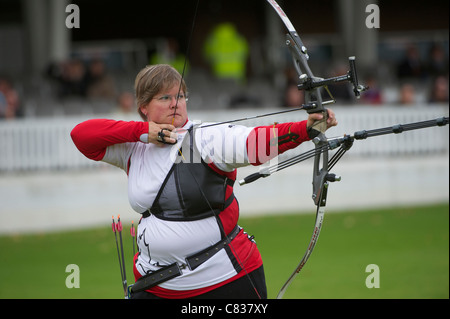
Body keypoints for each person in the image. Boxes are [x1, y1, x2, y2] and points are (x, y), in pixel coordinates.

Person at [70, 64, 337, 299]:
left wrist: (304, 129)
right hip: (156, 284)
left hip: (224, 280)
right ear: (144, 107)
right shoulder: (134, 149)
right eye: (165, 97)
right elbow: (81, 135)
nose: (176, 103)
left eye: (180, 96)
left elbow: (254, 143)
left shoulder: (205, 139)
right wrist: (141, 132)